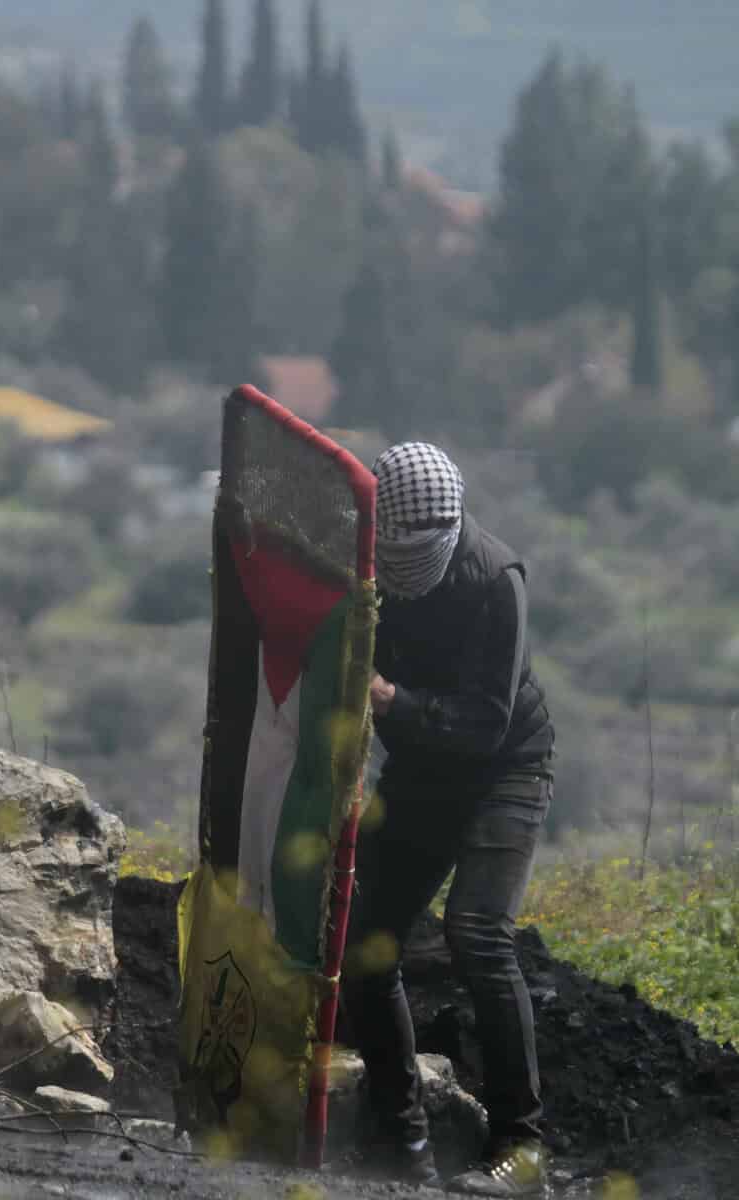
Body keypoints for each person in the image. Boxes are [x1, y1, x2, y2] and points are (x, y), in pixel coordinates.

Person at [344, 442, 556, 1196]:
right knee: (365, 937)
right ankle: (400, 1143)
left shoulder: (496, 580)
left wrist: (393, 702)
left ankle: (522, 1151)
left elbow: (486, 722)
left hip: (503, 767)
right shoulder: (366, 562)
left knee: (477, 932)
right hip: (423, 771)